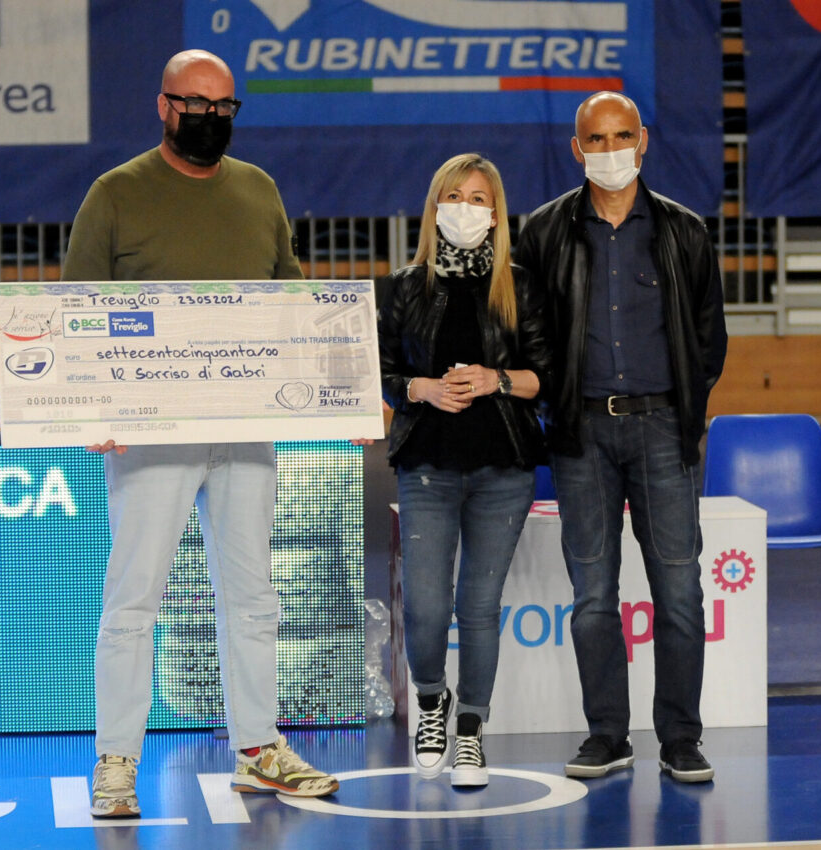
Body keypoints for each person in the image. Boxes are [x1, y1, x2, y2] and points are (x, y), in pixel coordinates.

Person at [61, 49, 338, 818]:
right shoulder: (114, 194)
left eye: (224, 107)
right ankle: (116, 762)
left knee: (253, 597)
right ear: (163, 105)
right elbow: (76, 313)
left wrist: (332, 399)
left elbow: (293, 303)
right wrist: (94, 410)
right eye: (195, 104)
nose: (210, 118)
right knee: (133, 600)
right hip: (151, 432)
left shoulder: (259, 190)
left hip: (247, 429)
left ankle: (258, 750)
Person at [515, 92, 728, 783]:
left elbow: (708, 341)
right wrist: (560, 397)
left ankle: (681, 738)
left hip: (664, 429)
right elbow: (534, 329)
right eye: (595, 140)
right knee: (594, 598)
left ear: (644, 141)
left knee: (680, 592)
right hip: (581, 435)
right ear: (577, 149)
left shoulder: (684, 231)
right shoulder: (543, 231)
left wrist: (681, 411)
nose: (609, 151)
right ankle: (607, 733)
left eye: (621, 137)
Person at [378, 153, 551, 787]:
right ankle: (431, 701)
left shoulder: (522, 285)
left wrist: (494, 379)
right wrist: (419, 389)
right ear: (434, 207)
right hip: (427, 464)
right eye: (455, 196)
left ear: (497, 212)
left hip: (503, 466)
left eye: (480, 198)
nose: (467, 208)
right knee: (425, 607)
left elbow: (547, 379)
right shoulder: (403, 286)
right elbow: (382, 373)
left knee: (478, 605)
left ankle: (472, 727)